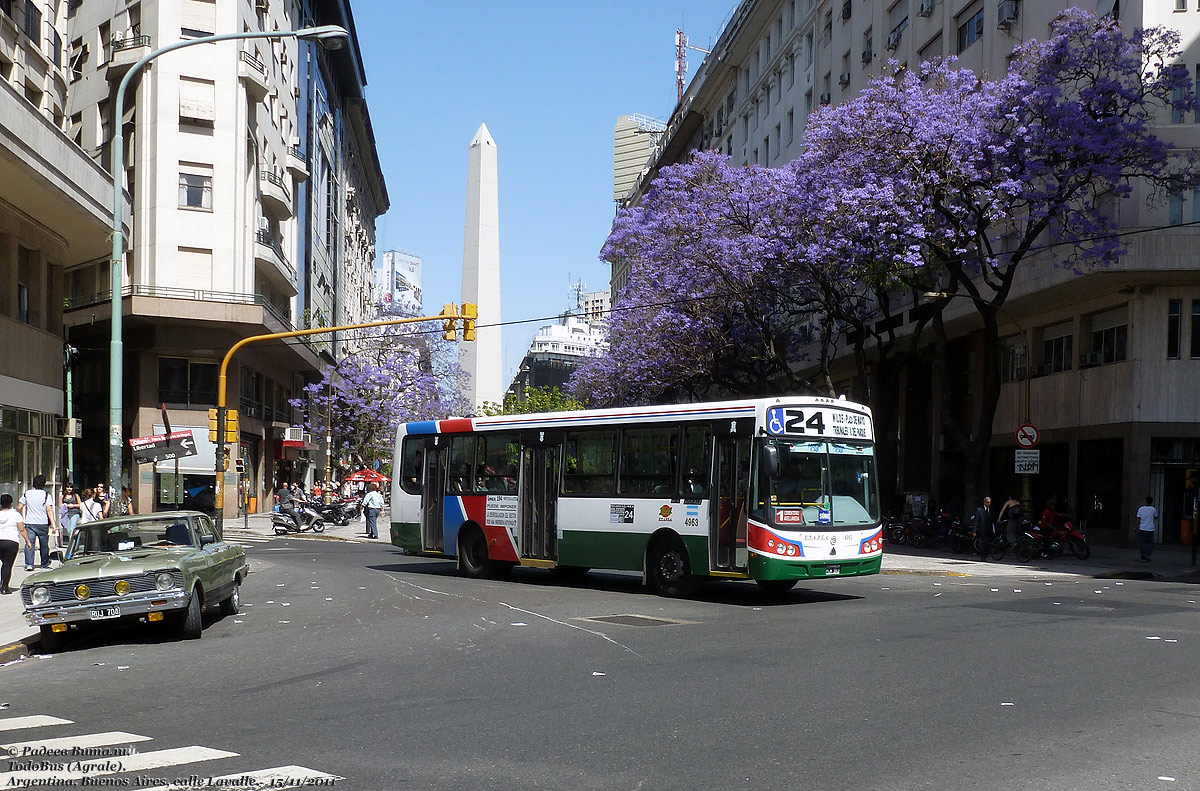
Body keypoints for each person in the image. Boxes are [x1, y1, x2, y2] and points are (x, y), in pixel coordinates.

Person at [17, 474, 55, 571]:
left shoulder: (27, 493)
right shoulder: (46, 495)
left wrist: (17, 516)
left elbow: (20, 507)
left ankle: (29, 564)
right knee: (44, 544)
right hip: (43, 523)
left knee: (29, 543)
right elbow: (49, 510)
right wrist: (53, 524)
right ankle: (44, 563)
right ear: (44, 484)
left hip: (30, 522)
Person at [0, 493, 26, 594]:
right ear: (11, 503)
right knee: (8, 565)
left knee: (3, 564)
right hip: (12, 542)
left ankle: (2, 584)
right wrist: (28, 541)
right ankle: (5, 587)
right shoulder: (16, 514)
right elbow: (21, 529)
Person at [1136, 496, 1158, 562]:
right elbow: (1156, 517)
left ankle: (1143, 555)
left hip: (1142, 528)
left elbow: (1138, 519)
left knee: (1142, 543)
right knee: (1150, 543)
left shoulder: (1140, 509)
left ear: (1146, 501)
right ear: (1151, 502)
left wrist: (1136, 527)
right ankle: (1147, 554)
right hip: (1150, 528)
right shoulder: (1153, 509)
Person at [974, 495, 994, 561]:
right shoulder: (979, 510)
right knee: (984, 543)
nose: (989, 504)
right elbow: (976, 520)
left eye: (990, 502)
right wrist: (974, 530)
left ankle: (985, 555)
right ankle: (983, 557)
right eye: (988, 502)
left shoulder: (990, 510)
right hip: (982, 529)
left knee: (987, 543)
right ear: (985, 502)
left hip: (989, 529)